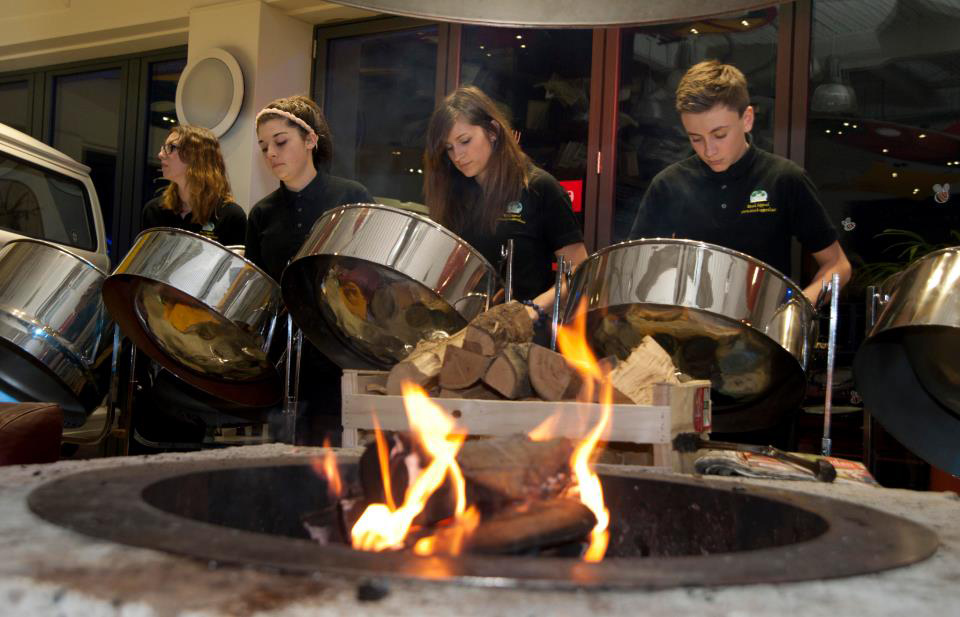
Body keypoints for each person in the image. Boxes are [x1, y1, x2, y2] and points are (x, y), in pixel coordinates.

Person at [628, 60, 851, 303]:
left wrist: (799, 308)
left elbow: (837, 265)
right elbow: (639, 267)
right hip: (685, 330)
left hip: (763, 331)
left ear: (747, 119)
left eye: (719, 135)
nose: (709, 150)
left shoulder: (784, 179)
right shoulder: (668, 184)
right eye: (695, 139)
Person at [246, 95, 373, 445]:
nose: (271, 153)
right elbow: (259, 291)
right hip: (284, 362)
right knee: (284, 458)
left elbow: (370, 278)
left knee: (333, 460)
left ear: (311, 140)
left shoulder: (350, 197)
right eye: (264, 146)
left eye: (281, 142)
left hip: (339, 356)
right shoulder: (261, 214)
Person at [423, 86, 587, 325]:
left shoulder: (539, 188)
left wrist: (531, 310)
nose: (457, 155)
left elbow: (579, 272)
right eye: (449, 148)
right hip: (465, 330)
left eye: (465, 141)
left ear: (493, 131)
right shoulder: (453, 194)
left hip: (525, 337)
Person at [142, 125, 245, 245]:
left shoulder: (230, 217)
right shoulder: (154, 211)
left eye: (171, 147)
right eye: (163, 148)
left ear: (197, 157)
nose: (160, 154)